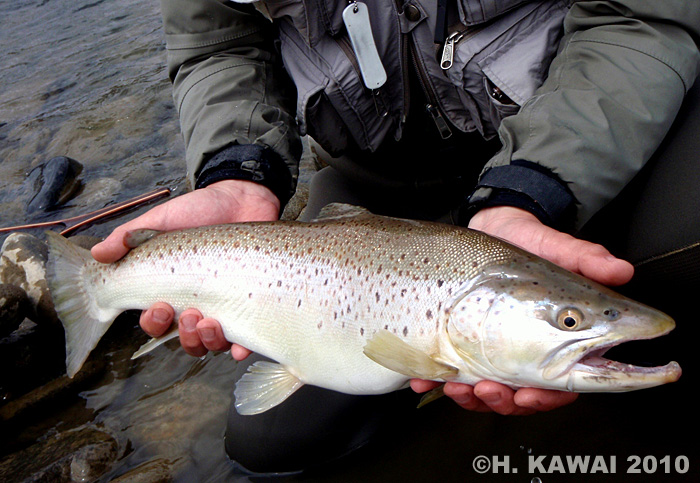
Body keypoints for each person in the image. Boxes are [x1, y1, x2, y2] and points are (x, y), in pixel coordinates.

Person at [91, 0, 699, 474]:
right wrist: (238, 169)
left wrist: (531, 189)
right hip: (374, 186)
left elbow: (639, 16)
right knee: (275, 443)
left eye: (566, 322)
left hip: (561, 141)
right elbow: (219, 46)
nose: (571, 322)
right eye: (569, 322)